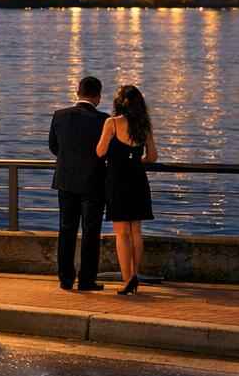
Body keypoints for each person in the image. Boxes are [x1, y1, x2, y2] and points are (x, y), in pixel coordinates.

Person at [48, 76, 108, 291]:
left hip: (66, 180)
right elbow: (106, 151)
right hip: (94, 182)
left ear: (77, 92)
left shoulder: (60, 115)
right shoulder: (104, 120)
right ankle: (86, 280)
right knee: (91, 232)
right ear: (98, 96)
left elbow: (53, 147)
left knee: (66, 229)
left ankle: (65, 279)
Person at [96, 84, 158, 295]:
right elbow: (152, 156)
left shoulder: (112, 123)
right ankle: (135, 275)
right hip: (138, 179)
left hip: (117, 180)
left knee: (122, 233)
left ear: (119, 103)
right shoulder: (144, 126)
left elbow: (100, 151)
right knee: (136, 231)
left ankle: (127, 279)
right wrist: (138, 160)